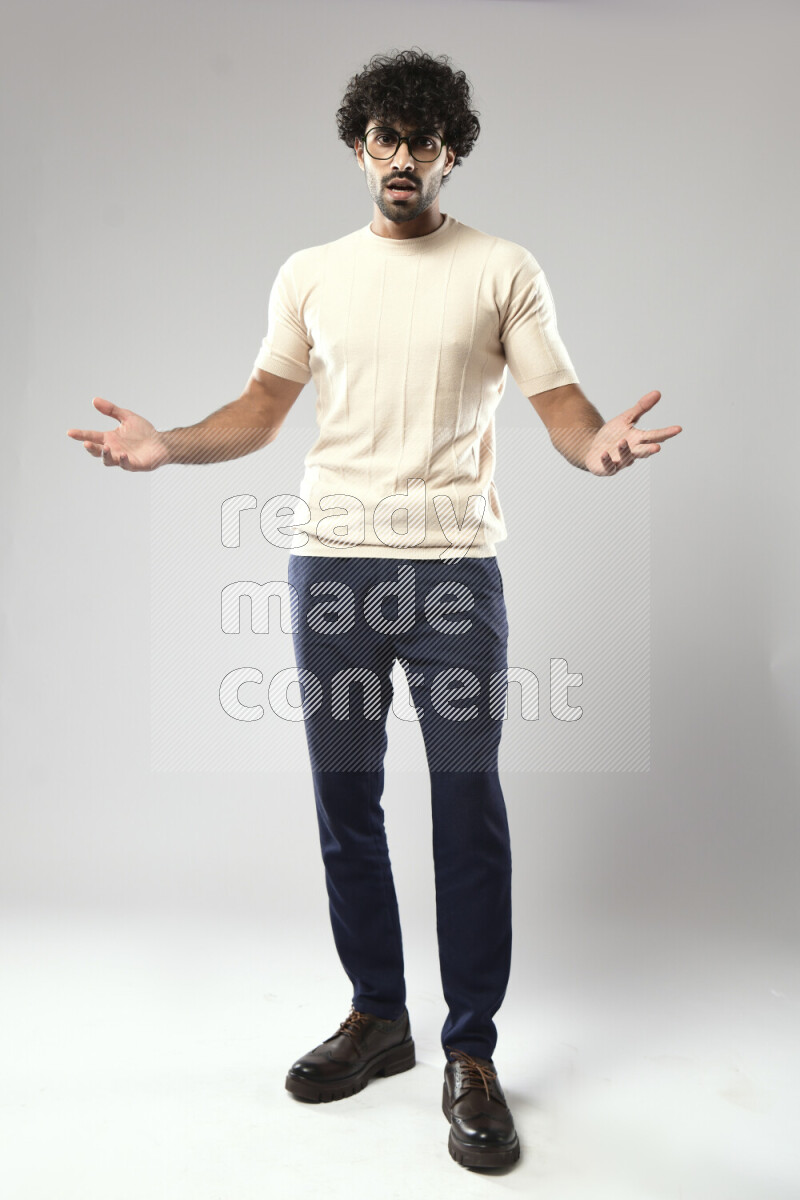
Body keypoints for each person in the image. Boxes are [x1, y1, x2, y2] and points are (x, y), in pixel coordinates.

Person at [67, 47, 682, 1172]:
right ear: (360, 149)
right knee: (346, 801)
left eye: (423, 140)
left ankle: (471, 1052)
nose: (403, 159)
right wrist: (169, 446)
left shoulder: (502, 268)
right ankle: (377, 1018)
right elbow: (259, 409)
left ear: (452, 152)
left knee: (464, 807)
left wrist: (595, 446)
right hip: (331, 571)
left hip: (452, 574)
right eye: (385, 139)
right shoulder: (309, 274)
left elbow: (557, 400)